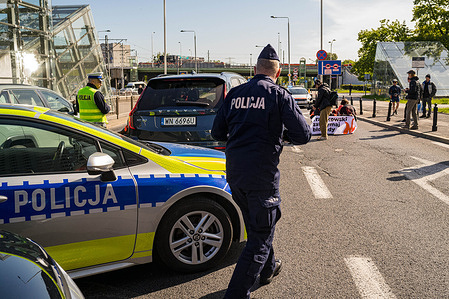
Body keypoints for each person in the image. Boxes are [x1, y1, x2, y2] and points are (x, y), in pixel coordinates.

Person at [211, 44, 311, 299]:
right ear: (277, 73)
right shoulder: (279, 95)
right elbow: (303, 135)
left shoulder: (234, 94)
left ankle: (268, 269)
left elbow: (216, 133)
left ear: (255, 69)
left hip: (235, 174)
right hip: (262, 177)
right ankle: (235, 294)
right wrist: (281, 134)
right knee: (259, 238)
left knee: (259, 227)